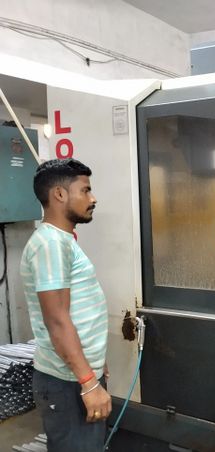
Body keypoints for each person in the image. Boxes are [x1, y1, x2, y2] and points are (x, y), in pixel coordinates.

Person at [20, 158, 111, 452]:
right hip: (67, 382)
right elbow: (57, 321)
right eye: (85, 190)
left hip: (76, 376)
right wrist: (89, 382)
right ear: (59, 195)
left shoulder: (62, 241)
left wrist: (94, 362)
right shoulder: (50, 245)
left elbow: (75, 312)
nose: (92, 198)